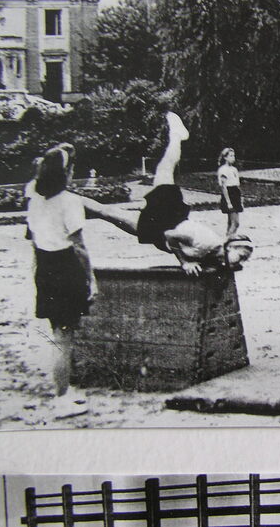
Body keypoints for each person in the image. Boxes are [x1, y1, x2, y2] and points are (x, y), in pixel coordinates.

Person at [82, 112, 254, 276]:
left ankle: (69, 199)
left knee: (107, 213)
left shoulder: (218, 254)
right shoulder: (208, 242)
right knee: (165, 168)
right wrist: (184, 262)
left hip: (160, 228)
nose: (241, 262)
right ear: (228, 247)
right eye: (241, 257)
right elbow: (170, 235)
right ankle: (176, 136)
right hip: (168, 215)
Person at [26, 143, 96, 419]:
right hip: (65, 267)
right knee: (63, 338)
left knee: (60, 333)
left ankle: (64, 390)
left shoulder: (34, 199)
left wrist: (36, 273)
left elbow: (33, 241)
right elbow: (79, 247)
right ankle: (61, 398)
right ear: (66, 173)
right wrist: (91, 279)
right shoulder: (69, 201)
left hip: (45, 267)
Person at [217, 147, 243, 237]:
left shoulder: (234, 169)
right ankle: (229, 239)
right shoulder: (223, 170)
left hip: (235, 194)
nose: (233, 158)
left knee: (231, 222)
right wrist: (228, 202)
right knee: (235, 223)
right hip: (229, 195)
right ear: (225, 157)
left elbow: (237, 185)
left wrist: (240, 199)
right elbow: (223, 187)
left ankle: (229, 238)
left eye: (234, 156)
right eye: (231, 156)